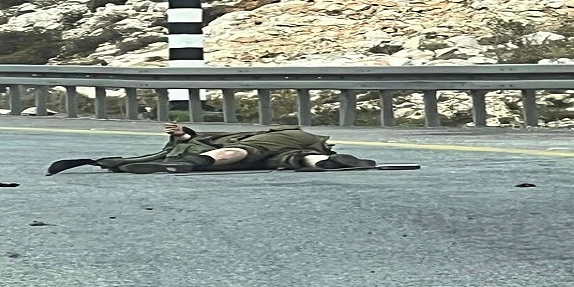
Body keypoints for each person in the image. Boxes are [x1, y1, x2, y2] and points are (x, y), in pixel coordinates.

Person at [46, 122, 379, 175]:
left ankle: (190, 164)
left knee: (247, 152)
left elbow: (217, 136)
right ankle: (326, 163)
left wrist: (187, 136)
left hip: (276, 140)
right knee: (289, 160)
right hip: (291, 149)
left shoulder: (271, 133)